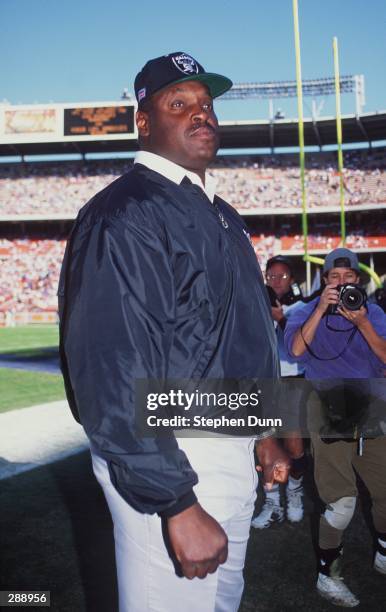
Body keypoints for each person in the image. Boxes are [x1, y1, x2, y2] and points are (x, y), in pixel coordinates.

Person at [59, 52, 289, 612]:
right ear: (144, 121)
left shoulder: (222, 212)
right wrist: (175, 502)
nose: (201, 115)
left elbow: (235, 334)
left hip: (226, 446)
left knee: (220, 605)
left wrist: (260, 432)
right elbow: (112, 369)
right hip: (175, 459)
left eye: (207, 105)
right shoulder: (126, 212)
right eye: (179, 103)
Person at [284, 247, 386, 607]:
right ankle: (328, 575)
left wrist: (362, 324)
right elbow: (296, 350)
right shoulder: (303, 312)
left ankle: (383, 552)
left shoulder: (373, 312)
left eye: (349, 278)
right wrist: (319, 309)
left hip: (373, 407)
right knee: (341, 503)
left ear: (358, 280)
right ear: (325, 281)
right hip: (329, 407)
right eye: (335, 278)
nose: (343, 285)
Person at [252, 255, 306, 529]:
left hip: (293, 380)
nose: (276, 280)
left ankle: (295, 491)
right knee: (266, 443)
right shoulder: (257, 303)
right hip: (266, 381)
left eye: (282, 276)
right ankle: (272, 502)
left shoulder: (302, 307)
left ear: (292, 279)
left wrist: (281, 319)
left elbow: (302, 345)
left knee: (295, 445)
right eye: (271, 276)